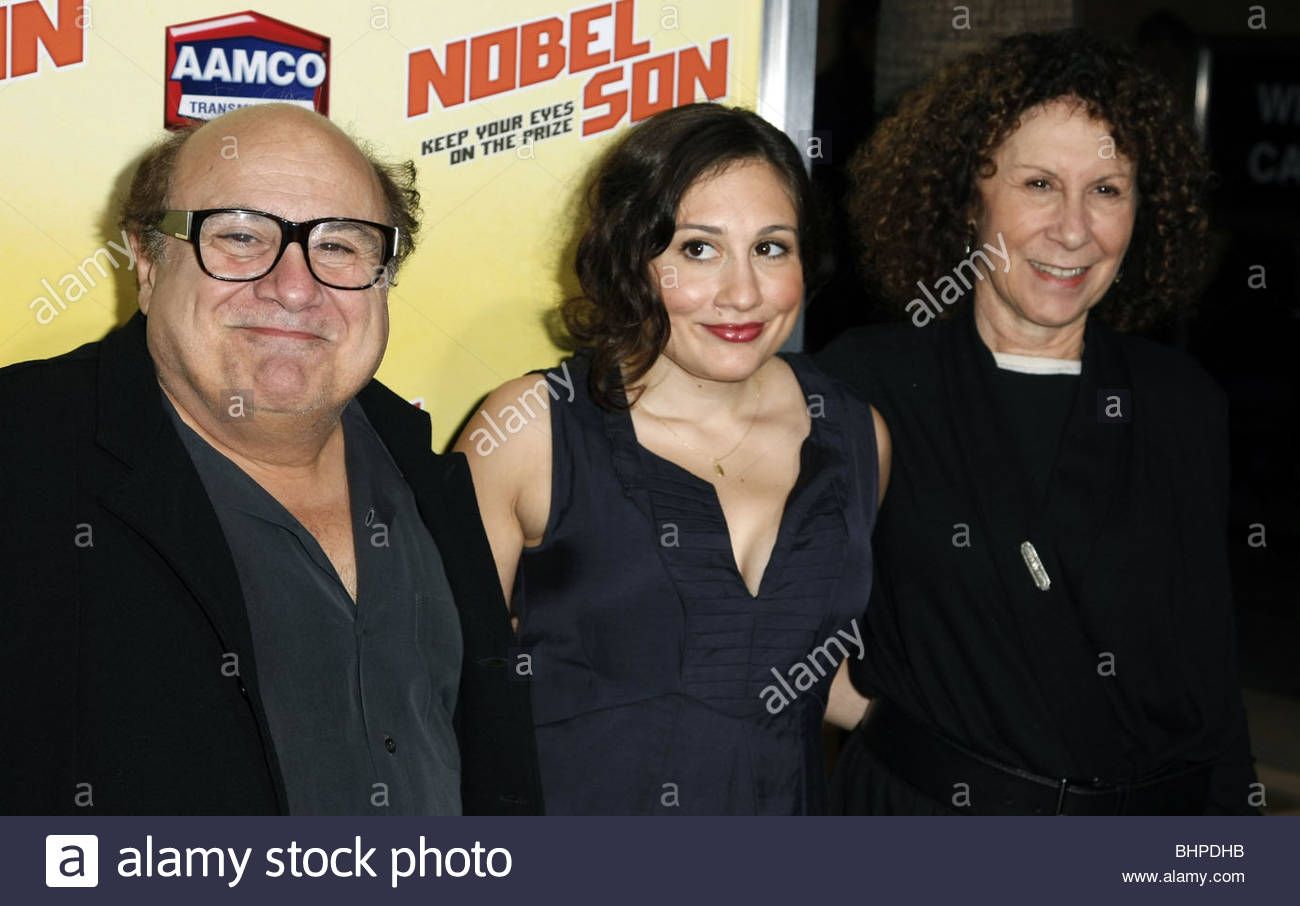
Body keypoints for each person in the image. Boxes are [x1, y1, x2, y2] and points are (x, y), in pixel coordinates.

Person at [0, 104, 540, 815]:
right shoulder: (23, 454)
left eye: (339, 246)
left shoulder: (426, 473)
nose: (293, 286)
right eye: (240, 236)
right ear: (146, 260)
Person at [818, 29, 1259, 815]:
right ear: (967, 199)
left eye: (1107, 189)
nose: (1074, 229)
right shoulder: (868, 383)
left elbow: (1211, 677)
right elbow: (760, 623)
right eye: (1039, 184)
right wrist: (904, 731)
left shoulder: (1180, 400)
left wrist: (1228, 856)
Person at [455, 103, 890, 815]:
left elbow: (816, 671)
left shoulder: (855, 435)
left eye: (771, 248)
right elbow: (441, 683)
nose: (742, 293)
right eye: (698, 249)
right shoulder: (529, 430)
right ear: (631, 257)